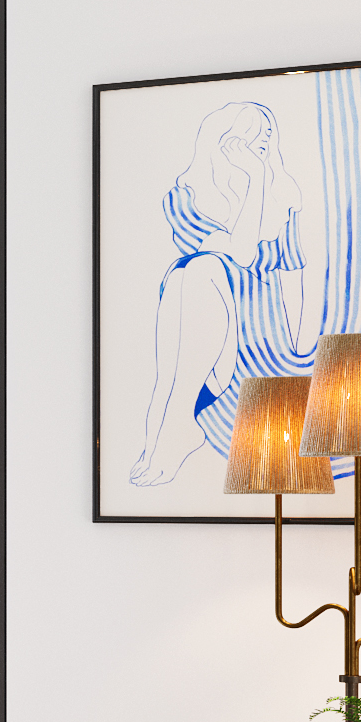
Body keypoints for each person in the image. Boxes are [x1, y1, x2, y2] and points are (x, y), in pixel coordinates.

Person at [134, 102, 307, 486]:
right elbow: (237, 249)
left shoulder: (283, 195)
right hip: (203, 332)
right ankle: (159, 435)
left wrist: (259, 179)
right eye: (252, 132)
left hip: (260, 334)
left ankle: (178, 423)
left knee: (201, 268)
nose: (262, 140)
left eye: (267, 134)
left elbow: (287, 275)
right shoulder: (183, 199)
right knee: (189, 272)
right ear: (225, 139)